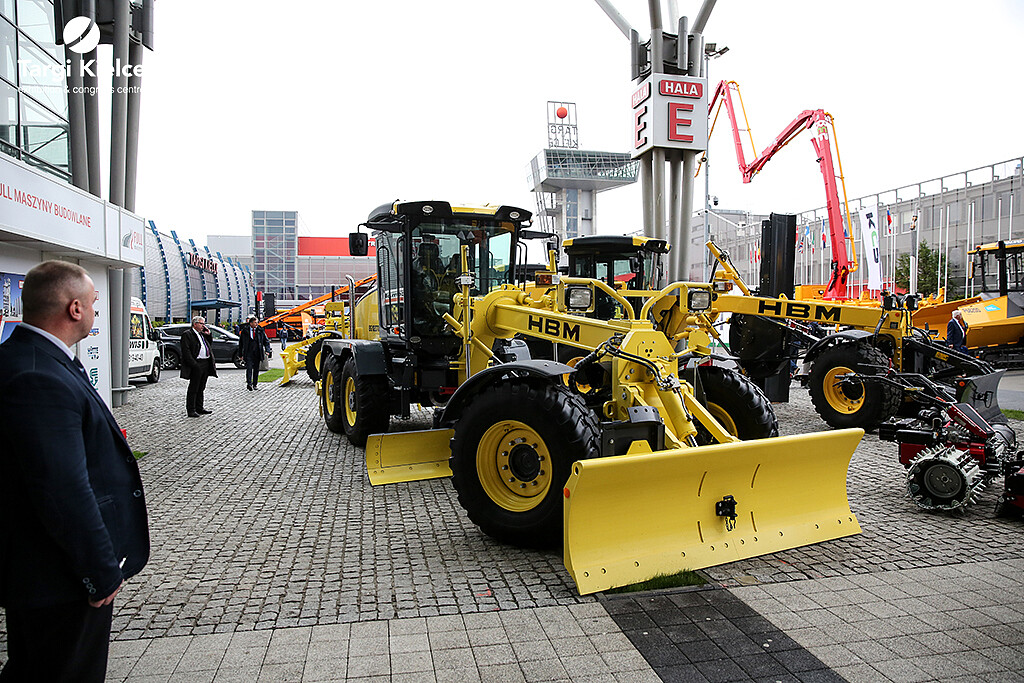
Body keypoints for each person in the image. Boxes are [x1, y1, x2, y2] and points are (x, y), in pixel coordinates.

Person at [0, 260, 150, 681]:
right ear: (74, 309)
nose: (96, 312)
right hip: (59, 576)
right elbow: (62, 488)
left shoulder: (35, 359)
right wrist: (99, 572)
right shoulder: (37, 375)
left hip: (47, 573)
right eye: (93, 303)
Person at [180, 314, 217, 416]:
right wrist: (194, 364)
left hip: (205, 362)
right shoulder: (188, 334)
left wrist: (208, 334)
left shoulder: (202, 334)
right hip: (196, 363)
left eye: (204, 324)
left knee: (201, 387)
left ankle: (199, 407)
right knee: (194, 388)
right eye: (201, 324)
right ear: (195, 324)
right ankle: (191, 409)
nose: (203, 326)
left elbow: (208, 345)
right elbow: (186, 351)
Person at [238, 314, 271, 390]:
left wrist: (267, 350)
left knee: (256, 369)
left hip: (257, 352)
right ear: (251, 323)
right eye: (255, 322)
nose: (256, 324)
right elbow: (241, 343)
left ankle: (255, 384)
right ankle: (249, 383)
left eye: (257, 322)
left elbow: (266, 341)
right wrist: (240, 354)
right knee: (249, 368)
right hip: (248, 352)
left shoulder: (260, 330)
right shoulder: (245, 331)